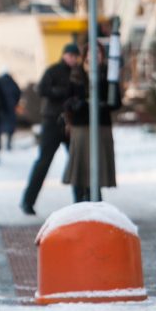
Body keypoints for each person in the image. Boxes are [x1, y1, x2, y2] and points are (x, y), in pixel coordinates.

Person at [20, 43, 80, 215]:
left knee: (76, 163)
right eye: (71, 56)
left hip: (70, 123)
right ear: (64, 55)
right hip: (52, 121)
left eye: (75, 56)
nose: (73, 59)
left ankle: (80, 201)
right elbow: (42, 89)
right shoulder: (53, 70)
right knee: (43, 162)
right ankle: (28, 201)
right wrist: (60, 92)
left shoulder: (77, 73)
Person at [63, 44, 120, 202]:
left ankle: (95, 198)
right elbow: (67, 100)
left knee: (98, 166)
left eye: (98, 53)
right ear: (86, 55)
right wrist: (78, 104)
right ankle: (79, 199)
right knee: (81, 166)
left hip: (102, 125)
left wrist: (104, 103)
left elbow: (116, 101)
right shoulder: (77, 73)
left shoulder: (109, 74)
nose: (95, 56)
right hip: (82, 125)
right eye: (91, 53)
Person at [0, 68, 21, 151]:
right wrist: (15, 102)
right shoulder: (12, 82)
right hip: (10, 107)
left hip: (1, 108)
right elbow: (18, 92)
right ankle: (8, 144)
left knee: (0, 127)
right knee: (10, 127)